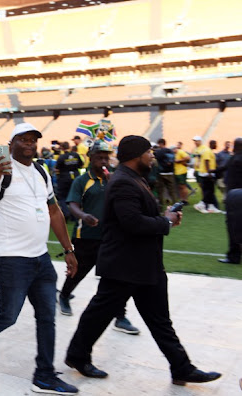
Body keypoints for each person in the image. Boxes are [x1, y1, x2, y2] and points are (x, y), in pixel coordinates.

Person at [65, 135, 221, 387]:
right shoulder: (124, 182)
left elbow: (137, 216)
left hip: (144, 265)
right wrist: (166, 220)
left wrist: (164, 218)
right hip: (124, 265)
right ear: (137, 156)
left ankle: (182, 368)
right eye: (150, 152)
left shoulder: (134, 179)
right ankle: (77, 356)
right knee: (99, 313)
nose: (153, 156)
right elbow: (132, 223)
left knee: (160, 320)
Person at [0, 122, 79, 395]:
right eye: (23, 139)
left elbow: (54, 211)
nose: (29, 144)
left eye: (33, 140)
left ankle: (44, 375)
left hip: (41, 259)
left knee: (47, 317)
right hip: (12, 257)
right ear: (11, 144)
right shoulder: (0, 168)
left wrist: (69, 250)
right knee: (7, 315)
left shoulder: (41, 171)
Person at [58, 141, 140, 334]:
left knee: (116, 276)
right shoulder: (82, 180)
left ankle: (120, 316)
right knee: (79, 271)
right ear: (90, 157)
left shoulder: (114, 178)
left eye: (106, 157)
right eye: (99, 157)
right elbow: (72, 204)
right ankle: (64, 295)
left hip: (111, 237)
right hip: (86, 236)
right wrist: (83, 216)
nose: (104, 161)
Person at [219, 137, 242, 264]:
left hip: (234, 197)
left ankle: (234, 256)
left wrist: (212, 173)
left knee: (232, 226)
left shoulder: (234, 158)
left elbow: (222, 169)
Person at [55, 141, 83, 221]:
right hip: (75, 177)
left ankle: (66, 213)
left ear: (62, 148)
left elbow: (57, 168)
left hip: (64, 178)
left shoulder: (61, 157)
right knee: (74, 197)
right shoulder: (76, 155)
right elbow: (81, 165)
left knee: (62, 197)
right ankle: (74, 216)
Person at [192, 136, 221, 213]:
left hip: (206, 173)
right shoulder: (208, 151)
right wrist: (209, 173)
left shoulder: (208, 151)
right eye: (215, 144)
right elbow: (206, 161)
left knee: (210, 191)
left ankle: (211, 207)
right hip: (206, 174)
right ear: (212, 144)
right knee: (209, 191)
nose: (216, 145)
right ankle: (200, 205)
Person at [154, 138, 177, 207]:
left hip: (162, 173)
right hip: (170, 172)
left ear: (160, 144)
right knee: (172, 190)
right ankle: (175, 204)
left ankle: (161, 204)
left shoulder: (159, 152)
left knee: (160, 190)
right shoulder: (170, 151)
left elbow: (156, 158)